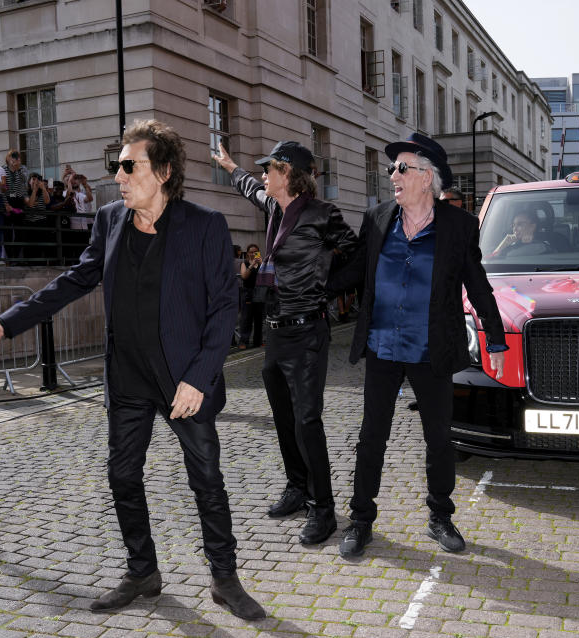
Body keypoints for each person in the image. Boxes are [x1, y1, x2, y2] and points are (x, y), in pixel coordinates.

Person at [0, 119, 264, 620]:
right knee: (122, 476)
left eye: (130, 166)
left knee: (207, 480)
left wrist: (199, 377)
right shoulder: (110, 220)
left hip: (182, 382)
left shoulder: (204, 225)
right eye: (118, 166)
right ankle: (142, 570)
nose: (119, 175)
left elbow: (224, 308)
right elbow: (76, 279)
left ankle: (224, 577)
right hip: (128, 377)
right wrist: (12, 318)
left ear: (164, 172)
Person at [329, 133, 507, 558]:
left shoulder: (459, 227)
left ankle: (440, 516)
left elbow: (478, 287)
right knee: (371, 437)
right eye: (392, 168)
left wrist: (496, 339)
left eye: (401, 168)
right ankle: (360, 520)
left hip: (431, 350)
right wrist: (309, 288)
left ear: (427, 178)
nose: (393, 175)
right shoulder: (377, 219)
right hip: (383, 347)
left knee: (439, 438)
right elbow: (352, 270)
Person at [213, 140, 358, 545]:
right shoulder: (276, 207)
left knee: (307, 420)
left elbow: (357, 254)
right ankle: (297, 488)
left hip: (307, 332)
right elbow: (249, 187)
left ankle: (323, 509)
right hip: (276, 333)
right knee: (283, 418)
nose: (263, 175)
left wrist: (325, 286)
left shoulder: (322, 214)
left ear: (288, 173)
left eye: (269, 168)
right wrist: (229, 165)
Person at [237, 243, 263, 349]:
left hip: (260, 292)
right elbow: (244, 276)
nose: (253, 254)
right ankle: (243, 342)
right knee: (246, 318)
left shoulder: (262, 263)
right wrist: (252, 265)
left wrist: (262, 264)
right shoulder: (245, 263)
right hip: (248, 292)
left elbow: (267, 276)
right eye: (251, 252)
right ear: (247, 253)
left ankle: (258, 341)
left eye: (255, 252)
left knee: (259, 318)